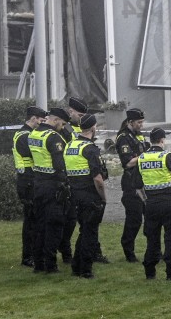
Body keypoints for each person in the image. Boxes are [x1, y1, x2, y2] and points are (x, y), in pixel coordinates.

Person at [137, 127, 171, 281]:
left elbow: (137, 185)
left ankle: (150, 273)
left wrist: (146, 200)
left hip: (151, 204)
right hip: (169, 202)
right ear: (162, 140)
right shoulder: (167, 157)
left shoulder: (141, 158)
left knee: (152, 239)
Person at [64, 112, 108, 279]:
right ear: (93, 127)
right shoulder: (90, 149)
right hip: (90, 196)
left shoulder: (70, 145)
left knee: (83, 231)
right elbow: (98, 179)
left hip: (74, 194)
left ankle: (76, 266)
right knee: (90, 233)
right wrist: (103, 197)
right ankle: (86, 270)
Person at [28, 106, 71, 273]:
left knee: (40, 226)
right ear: (55, 120)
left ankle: (38, 264)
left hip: (38, 184)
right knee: (54, 226)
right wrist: (65, 183)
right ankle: (51, 265)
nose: (63, 126)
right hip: (53, 187)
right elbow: (60, 165)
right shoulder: (53, 137)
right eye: (63, 123)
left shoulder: (34, 134)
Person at [12, 105, 46, 268]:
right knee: (31, 222)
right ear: (33, 118)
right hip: (28, 181)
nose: (42, 122)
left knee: (35, 220)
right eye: (40, 119)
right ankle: (28, 257)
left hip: (30, 180)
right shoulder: (24, 136)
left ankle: (34, 254)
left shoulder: (27, 134)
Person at [116, 107, 149, 263]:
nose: (141, 125)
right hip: (131, 182)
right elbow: (128, 162)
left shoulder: (138, 135)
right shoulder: (123, 138)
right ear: (130, 122)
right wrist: (146, 156)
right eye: (139, 122)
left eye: (142, 122)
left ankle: (153, 250)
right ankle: (128, 249)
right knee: (134, 219)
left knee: (150, 217)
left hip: (143, 180)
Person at [58, 96, 89, 265]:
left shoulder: (80, 127)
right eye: (80, 115)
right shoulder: (65, 128)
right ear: (71, 112)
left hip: (80, 178)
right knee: (68, 219)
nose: (82, 118)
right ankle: (65, 249)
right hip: (68, 177)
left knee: (80, 218)